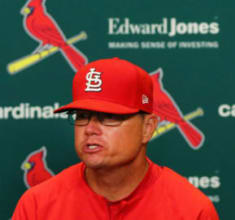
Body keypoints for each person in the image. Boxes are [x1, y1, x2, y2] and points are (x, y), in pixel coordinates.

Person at [12, 57, 219, 220]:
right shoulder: (38, 205)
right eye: (82, 117)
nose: (90, 129)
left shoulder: (191, 210)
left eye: (109, 117)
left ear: (147, 128)